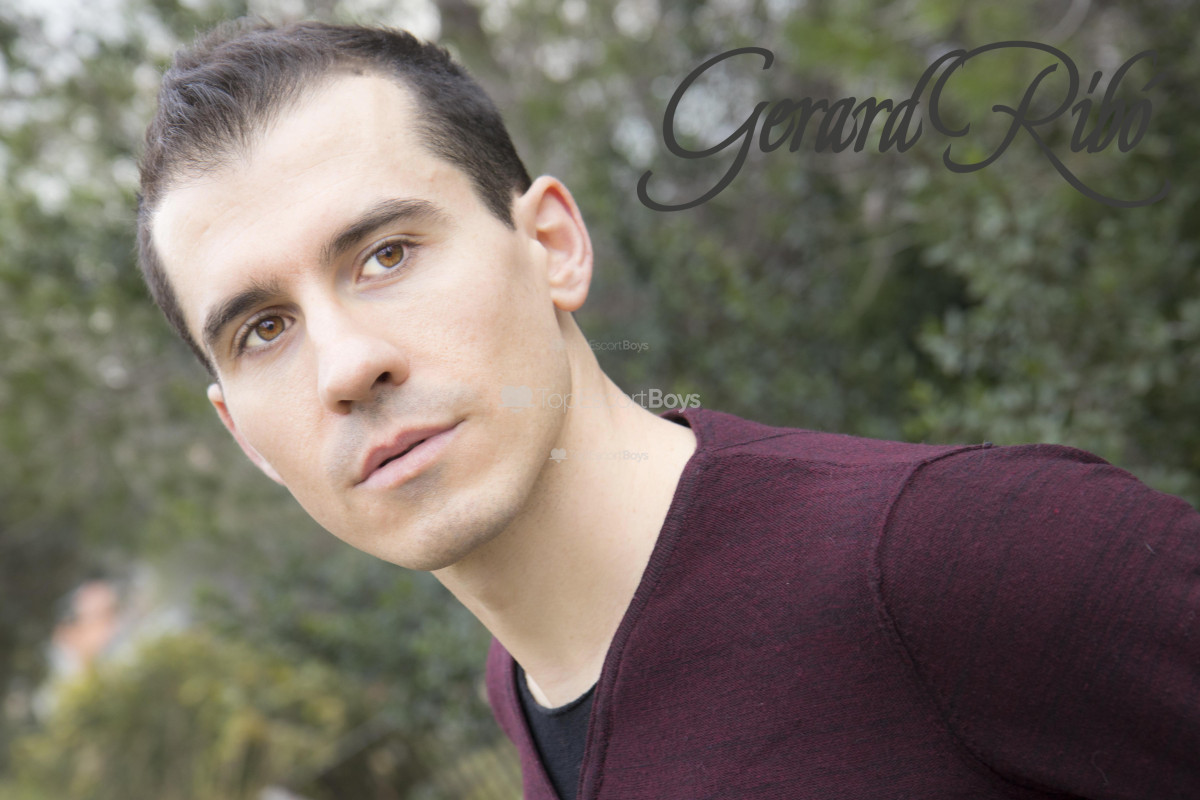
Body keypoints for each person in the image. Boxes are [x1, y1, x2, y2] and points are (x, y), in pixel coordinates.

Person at [136, 19, 1199, 800]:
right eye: (262, 329)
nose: (347, 364)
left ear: (553, 246)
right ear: (243, 434)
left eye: (386, 254)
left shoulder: (956, 553)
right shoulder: (525, 690)